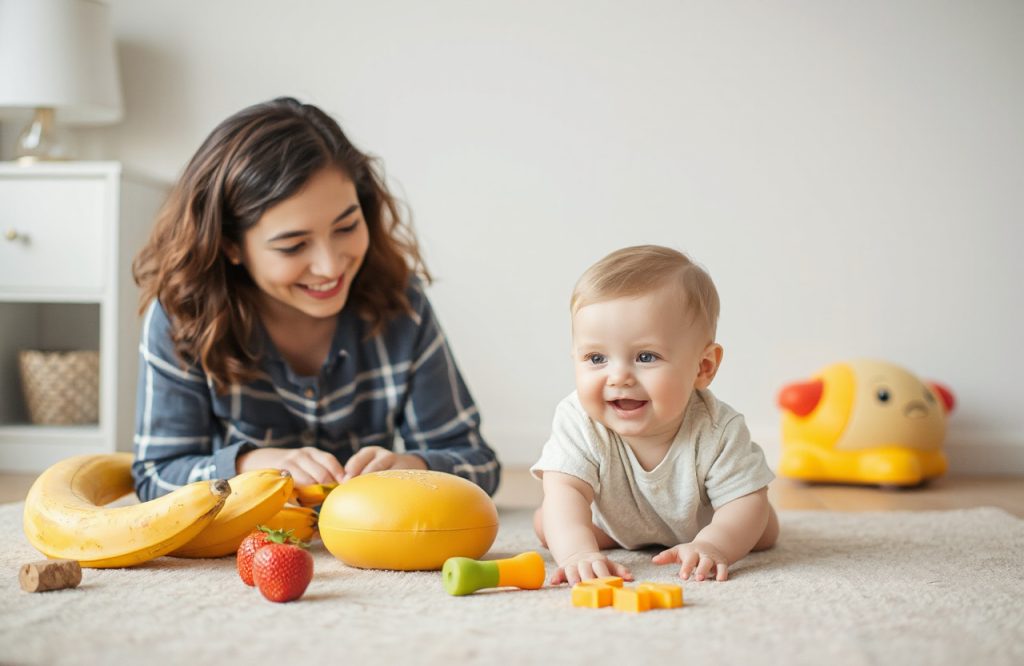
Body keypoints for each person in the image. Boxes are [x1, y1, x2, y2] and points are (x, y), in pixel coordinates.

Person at [131, 97, 500, 501]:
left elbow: (477, 462)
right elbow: (155, 477)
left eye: (346, 227)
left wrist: (414, 467)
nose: (329, 267)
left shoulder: (401, 304)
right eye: (293, 246)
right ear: (230, 246)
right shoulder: (182, 317)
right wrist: (246, 466)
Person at [531, 245, 778, 585]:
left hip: (702, 523)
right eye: (596, 358)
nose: (618, 377)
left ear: (703, 368)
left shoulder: (717, 429)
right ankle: (620, 537)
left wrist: (713, 544)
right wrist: (577, 554)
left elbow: (743, 504)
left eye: (646, 357)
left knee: (760, 526)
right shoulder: (579, 419)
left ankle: (700, 540)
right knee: (550, 522)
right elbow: (565, 490)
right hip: (616, 520)